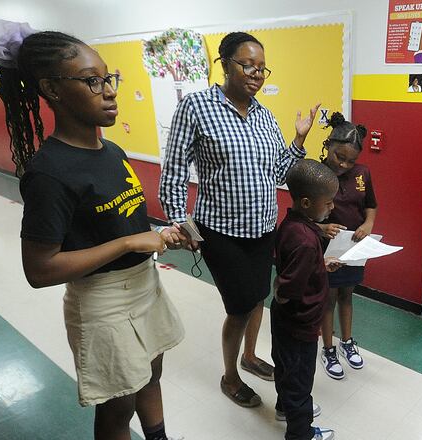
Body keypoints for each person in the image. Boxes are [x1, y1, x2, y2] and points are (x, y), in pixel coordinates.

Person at [0, 20, 186, 440]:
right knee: (119, 405)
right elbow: (40, 269)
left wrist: (162, 233)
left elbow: (120, 219)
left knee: (151, 374)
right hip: (103, 302)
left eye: (109, 79)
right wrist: (129, 242)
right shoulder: (49, 173)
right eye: (92, 81)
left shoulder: (112, 151)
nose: (109, 91)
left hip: (145, 285)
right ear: (52, 89)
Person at [158, 31, 320, 408]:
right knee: (240, 305)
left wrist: (298, 141)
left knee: (259, 296)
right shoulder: (196, 107)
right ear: (225, 64)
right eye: (247, 65)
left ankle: (249, 356)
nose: (256, 74)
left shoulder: (265, 116)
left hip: (262, 229)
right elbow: (174, 172)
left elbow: (277, 173)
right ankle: (230, 376)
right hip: (221, 232)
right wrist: (182, 223)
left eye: (262, 68)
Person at [272, 159, 341, 440]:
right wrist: (287, 297)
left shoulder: (294, 225)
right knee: (300, 379)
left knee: (285, 367)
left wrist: (320, 265)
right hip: (299, 324)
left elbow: (294, 269)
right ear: (307, 202)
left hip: (284, 321)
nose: (332, 207)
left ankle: (284, 407)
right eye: (328, 202)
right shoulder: (306, 240)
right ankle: (300, 433)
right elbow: (289, 289)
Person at [316, 112, 377, 380]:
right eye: (339, 157)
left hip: (353, 249)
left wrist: (369, 224)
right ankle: (328, 349)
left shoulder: (362, 174)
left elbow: (371, 206)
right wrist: (321, 228)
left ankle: (347, 342)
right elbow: (300, 216)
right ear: (328, 145)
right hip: (326, 249)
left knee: (347, 295)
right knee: (328, 298)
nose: (344, 164)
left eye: (351, 160)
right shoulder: (317, 174)